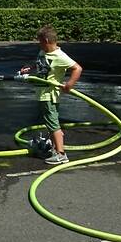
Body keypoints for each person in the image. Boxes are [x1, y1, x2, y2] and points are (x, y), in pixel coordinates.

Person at [19, 25, 82, 165]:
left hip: (50, 95)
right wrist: (30, 67)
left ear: (47, 40)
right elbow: (40, 64)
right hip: (42, 94)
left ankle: (61, 154)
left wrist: (69, 85)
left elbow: (77, 68)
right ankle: (55, 148)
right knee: (51, 123)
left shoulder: (59, 56)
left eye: (40, 41)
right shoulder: (43, 52)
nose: (39, 44)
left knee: (53, 124)